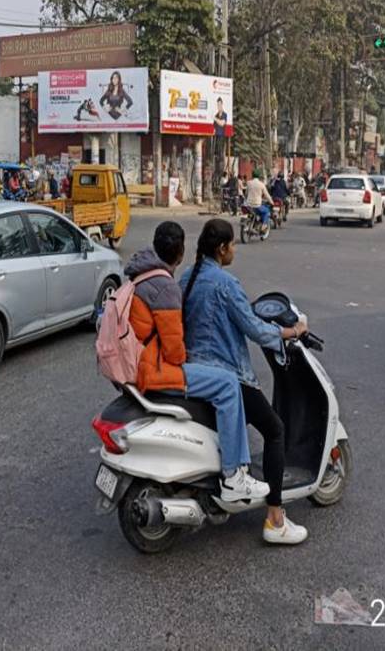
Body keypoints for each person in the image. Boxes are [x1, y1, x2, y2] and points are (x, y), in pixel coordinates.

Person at [181, 218, 310, 545]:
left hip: (193, 370)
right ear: (222, 248)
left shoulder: (186, 278)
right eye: (233, 245)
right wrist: (291, 331)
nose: (235, 250)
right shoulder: (225, 284)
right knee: (275, 429)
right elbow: (254, 329)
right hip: (226, 373)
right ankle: (275, 517)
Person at [125, 222, 270, 502]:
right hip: (153, 369)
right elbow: (175, 351)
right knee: (229, 384)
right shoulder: (163, 285)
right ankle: (232, 476)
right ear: (179, 253)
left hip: (140, 364)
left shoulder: (140, 275)